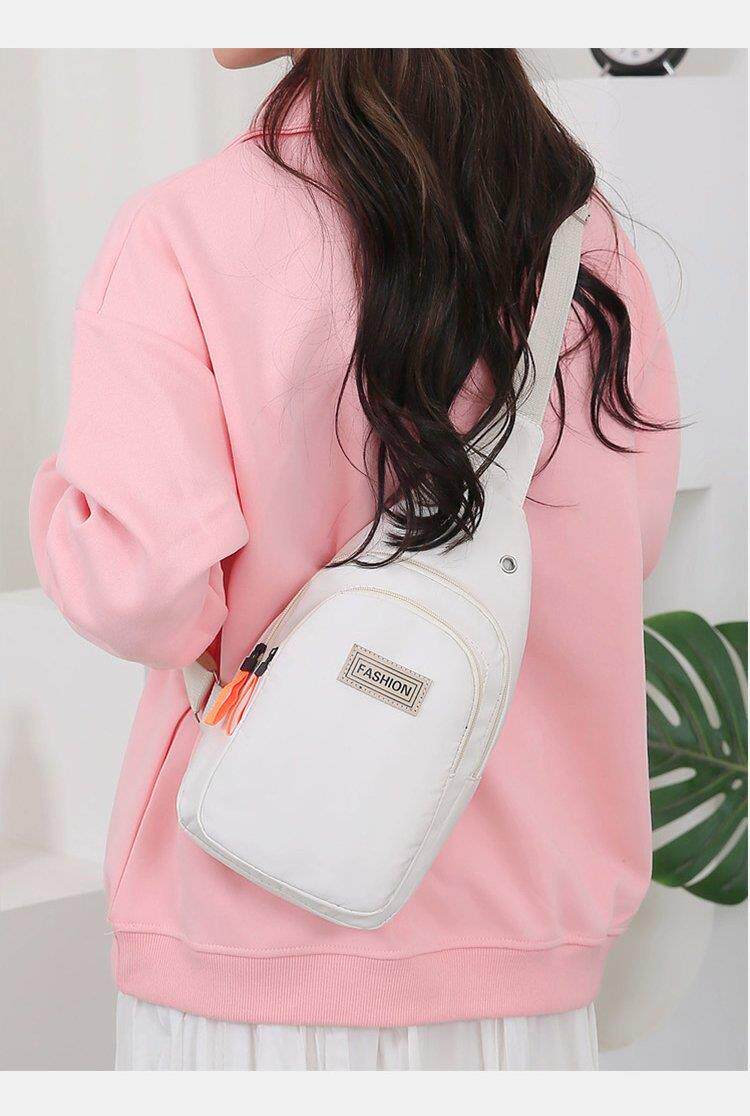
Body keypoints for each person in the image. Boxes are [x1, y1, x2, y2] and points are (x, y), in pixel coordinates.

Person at [29, 48, 679, 1070]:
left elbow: (144, 590)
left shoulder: (188, 229)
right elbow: (620, 549)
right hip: (524, 968)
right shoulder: (581, 241)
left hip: (250, 946)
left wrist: (62, 499)